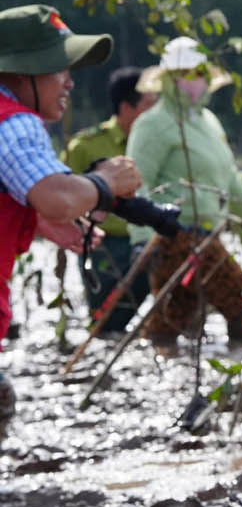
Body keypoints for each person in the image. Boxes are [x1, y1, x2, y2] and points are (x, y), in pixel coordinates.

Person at [0, 5, 179, 439]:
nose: (70, 82)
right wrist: (103, 183)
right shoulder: (16, 124)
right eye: (59, 69)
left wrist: (39, 222)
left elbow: (38, 198)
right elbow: (56, 195)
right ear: (23, 73)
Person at [128, 37, 242, 348]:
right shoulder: (153, 124)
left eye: (202, 75)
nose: (199, 82)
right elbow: (136, 181)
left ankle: (163, 374)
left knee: (171, 320)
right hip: (174, 237)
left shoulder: (208, 122)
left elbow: (231, 180)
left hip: (210, 233)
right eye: (190, 74)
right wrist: (141, 240)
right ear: (169, 79)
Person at [64, 67, 158, 334]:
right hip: (103, 246)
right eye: (148, 105)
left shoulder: (156, 144)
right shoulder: (85, 146)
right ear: (126, 107)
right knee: (106, 323)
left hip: (145, 242)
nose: (154, 113)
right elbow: (60, 198)